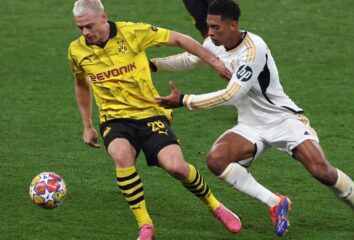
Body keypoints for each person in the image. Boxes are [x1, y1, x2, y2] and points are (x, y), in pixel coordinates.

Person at [153, 0, 354, 239]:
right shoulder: (214, 43)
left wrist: (184, 100)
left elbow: (231, 95)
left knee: (322, 171)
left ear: (233, 25)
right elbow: (189, 58)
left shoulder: (253, 49)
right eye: (208, 26)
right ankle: (276, 202)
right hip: (250, 125)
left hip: (283, 120)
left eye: (216, 27)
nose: (210, 33)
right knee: (217, 160)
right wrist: (152, 65)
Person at [67, 0, 241, 239]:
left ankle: (215, 206)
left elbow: (179, 39)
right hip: (114, 119)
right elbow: (81, 85)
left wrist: (214, 62)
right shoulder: (76, 51)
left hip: (150, 113)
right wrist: (87, 125)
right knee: (121, 155)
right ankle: (145, 224)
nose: (85, 33)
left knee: (177, 168)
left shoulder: (133, 32)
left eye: (88, 26)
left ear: (104, 17)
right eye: (80, 28)